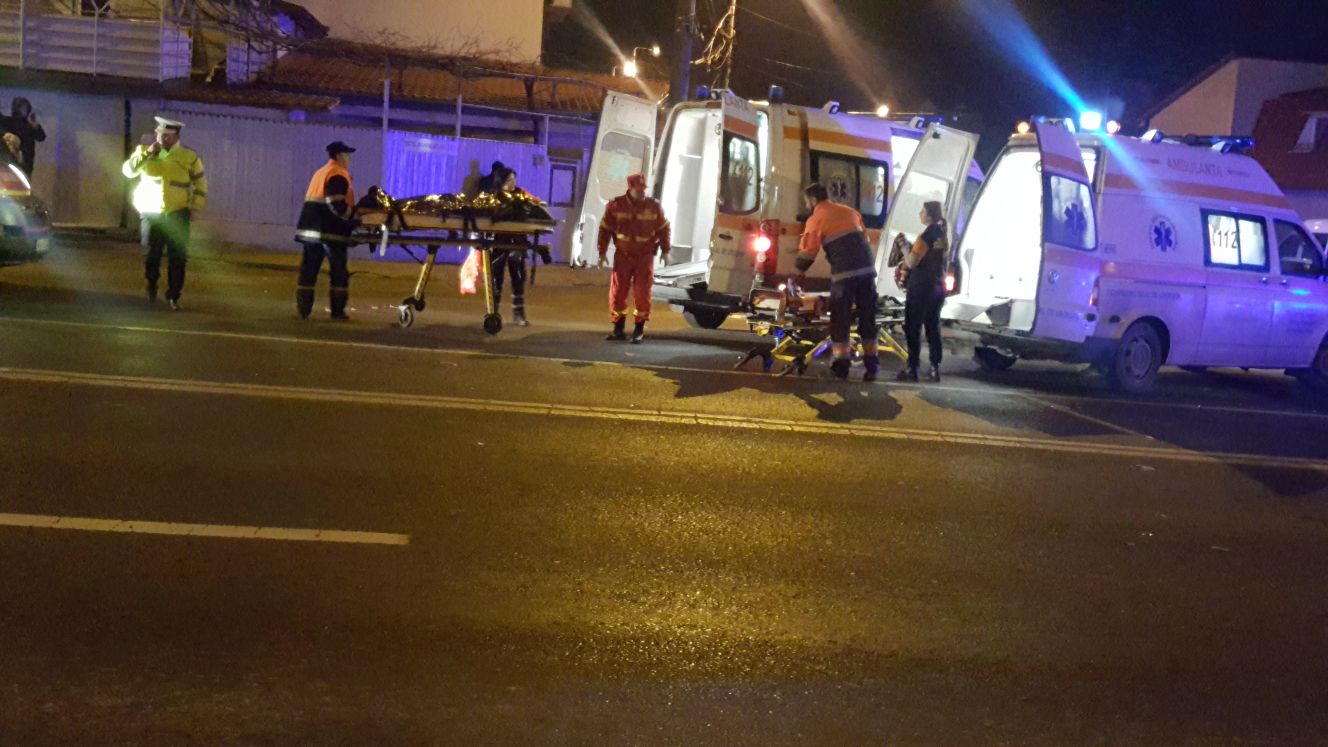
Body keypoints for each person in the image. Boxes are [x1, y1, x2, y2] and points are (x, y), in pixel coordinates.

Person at [794, 183, 880, 381]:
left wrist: (796, 274)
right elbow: (864, 239)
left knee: (840, 320)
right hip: (867, 272)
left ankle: (841, 368)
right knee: (868, 319)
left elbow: (808, 252)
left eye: (807, 202)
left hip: (844, 275)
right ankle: (872, 367)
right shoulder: (850, 212)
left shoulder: (816, 218)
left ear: (813, 200)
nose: (806, 205)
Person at [120, 116, 207, 310]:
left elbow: (201, 182)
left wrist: (196, 206)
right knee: (152, 255)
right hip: (151, 213)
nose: (162, 138)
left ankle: (174, 295)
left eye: (167, 135)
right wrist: (147, 154)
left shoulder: (189, 156)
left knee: (178, 256)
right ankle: (152, 283)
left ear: (176, 137)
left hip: (178, 213)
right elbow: (128, 171)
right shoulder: (145, 151)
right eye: (160, 134)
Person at [597, 173, 670, 343]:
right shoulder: (615, 206)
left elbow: (664, 228)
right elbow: (605, 230)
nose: (642, 192)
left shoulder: (654, 207)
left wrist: (666, 250)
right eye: (638, 189)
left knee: (642, 293)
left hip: (644, 257)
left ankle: (639, 330)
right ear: (630, 188)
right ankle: (618, 329)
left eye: (643, 189)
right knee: (618, 292)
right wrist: (602, 252)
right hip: (623, 256)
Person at [295, 141, 358, 319]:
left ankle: (303, 310)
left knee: (308, 271)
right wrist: (353, 218)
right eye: (347, 154)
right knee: (338, 272)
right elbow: (335, 203)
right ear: (338, 156)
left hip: (311, 231)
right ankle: (337, 311)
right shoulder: (338, 173)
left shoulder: (321, 172)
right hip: (330, 232)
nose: (349, 158)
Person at [895, 200, 949, 382]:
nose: (920, 214)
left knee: (913, 327)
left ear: (929, 216)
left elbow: (912, 262)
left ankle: (912, 368)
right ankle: (935, 368)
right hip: (937, 287)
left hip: (920, 288)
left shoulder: (925, 236)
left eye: (922, 211)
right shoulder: (942, 234)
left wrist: (904, 246)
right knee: (933, 327)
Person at [489, 167, 532, 326]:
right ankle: (493, 313)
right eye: (509, 180)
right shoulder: (494, 198)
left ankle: (518, 315)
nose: (513, 183)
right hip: (499, 244)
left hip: (517, 243)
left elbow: (532, 209)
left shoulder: (521, 195)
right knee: (496, 280)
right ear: (501, 182)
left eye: (514, 179)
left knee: (518, 279)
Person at [4, 98, 46, 177]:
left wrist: (35, 126)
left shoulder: (29, 124)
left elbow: (41, 137)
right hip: (9, 162)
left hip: (25, 163)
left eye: (23, 107)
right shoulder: (8, 122)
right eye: (19, 107)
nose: (20, 110)